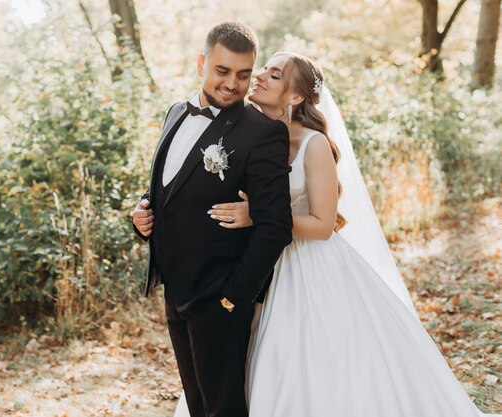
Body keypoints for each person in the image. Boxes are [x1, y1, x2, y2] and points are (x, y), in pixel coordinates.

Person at [173, 52, 499, 416]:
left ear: (295, 97)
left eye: (275, 75)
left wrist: (262, 216)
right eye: (264, 69)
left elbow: (324, 225)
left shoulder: (313, 145)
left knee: (304, 358)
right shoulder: (249, 134)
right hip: (253, 265)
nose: (260, 77)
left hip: (308, 266)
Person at [131, 23, 293, 417]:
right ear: (201, 63)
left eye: (243, 74)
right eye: (222, 71)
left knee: (224, 409)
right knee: (198, 405)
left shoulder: (263, 134)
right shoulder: (175, 112)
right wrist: (141, 211)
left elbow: (276, 226)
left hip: (219, 300)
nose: (232, 84)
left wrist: (232, 298)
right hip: (176, 289)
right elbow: (167, 186)